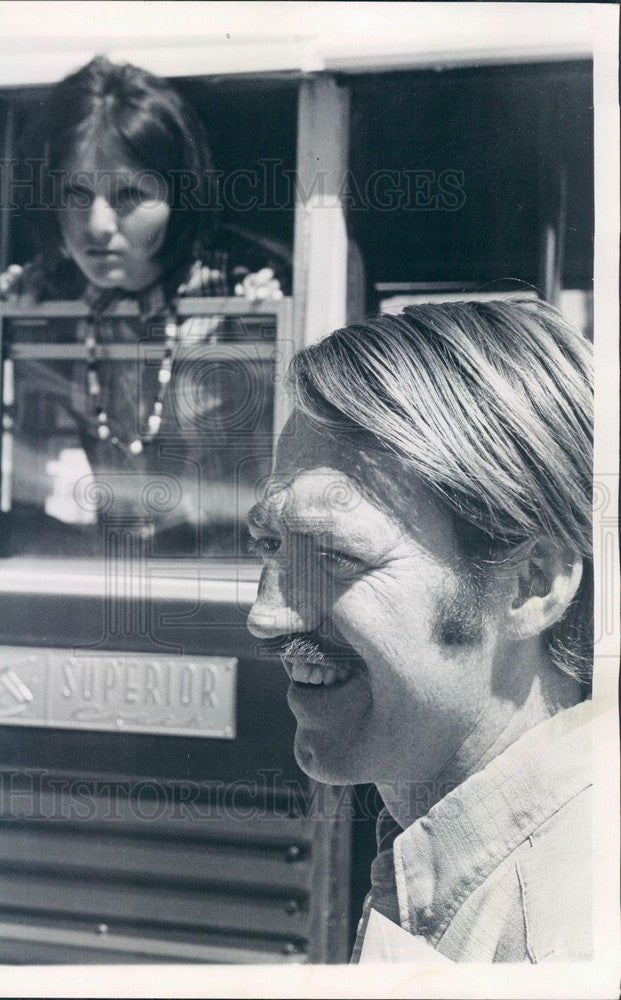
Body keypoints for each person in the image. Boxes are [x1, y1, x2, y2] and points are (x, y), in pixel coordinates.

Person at [245, 299, 593, 962]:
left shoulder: (558, 943)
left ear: (531, 585)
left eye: (336, 556)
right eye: (268, 545)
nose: (266, 615)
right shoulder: (449, 863)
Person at [0, 56, 288, 557]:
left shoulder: (245, 287)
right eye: (76, 193)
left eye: (130, 194)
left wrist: (266, 317)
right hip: (115, 566)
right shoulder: (46, 295)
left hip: (230, 568)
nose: (98, 225)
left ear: (180, 196)